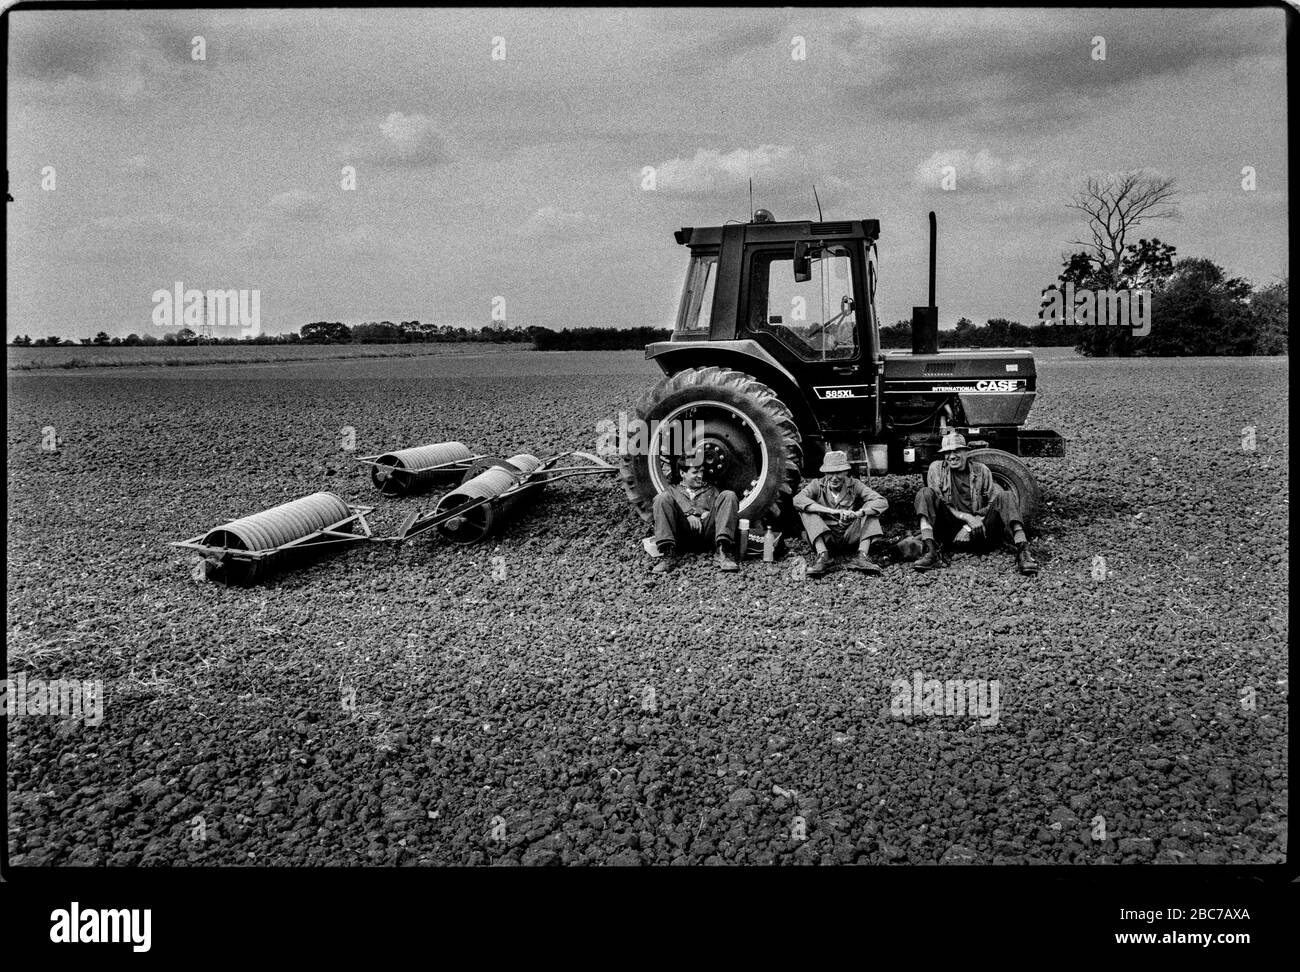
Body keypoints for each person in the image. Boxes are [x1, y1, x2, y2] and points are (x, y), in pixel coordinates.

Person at [912, 432, 1040, 575]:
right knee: (924, 493)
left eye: (957, 451)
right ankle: (931, 551)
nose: (952, 456)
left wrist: (970, 525)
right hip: (950, 532)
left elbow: (992, 503)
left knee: (1006, 496)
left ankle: (1023, 551)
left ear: (966, 452)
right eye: (947, 452)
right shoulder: (936, 469)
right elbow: (939, 501)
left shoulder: (982, 470)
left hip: (980, 531)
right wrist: (967, 518)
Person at [794, 450, 889, 577]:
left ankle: (862, 557)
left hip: (850, 535)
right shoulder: (817, 484)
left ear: (846, 472)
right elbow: (798, 500)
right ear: (825, 473)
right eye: (830, 473)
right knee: (806, 512)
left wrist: (859, 513)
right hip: (827, 536)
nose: (834, 478)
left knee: (871, 510)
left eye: (838, 472)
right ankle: (823, 556)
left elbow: (881, 501)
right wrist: (831, 511)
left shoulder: (854, 484)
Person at [651, 449, 740, 573]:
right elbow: (665, 507)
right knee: (661, 498)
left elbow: (721, 511)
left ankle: (722, 552)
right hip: (682, 536)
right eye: (695, 472)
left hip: (707, 535)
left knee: (729, 495)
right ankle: (668, 555)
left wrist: (709, 513)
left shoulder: (712, 490)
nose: (700, 475)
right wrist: (689, 513)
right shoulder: (672, 490)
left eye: (702, 471)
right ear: (683, 473)